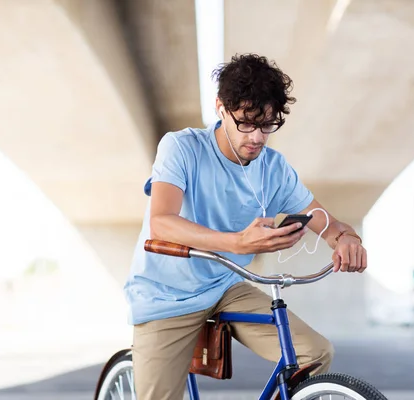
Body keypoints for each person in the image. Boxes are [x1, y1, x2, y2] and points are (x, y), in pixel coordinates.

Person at [123, 53, 367, 399]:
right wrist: (238, 242)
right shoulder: (182, 148)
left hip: (226, 287)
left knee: (315, 353)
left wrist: (347, 238)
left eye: (267, 125)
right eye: (247, 124)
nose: (257, 138)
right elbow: (161, 222)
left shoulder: (274, 168)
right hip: (167, 293)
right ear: (221, 107)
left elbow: (326, 223)